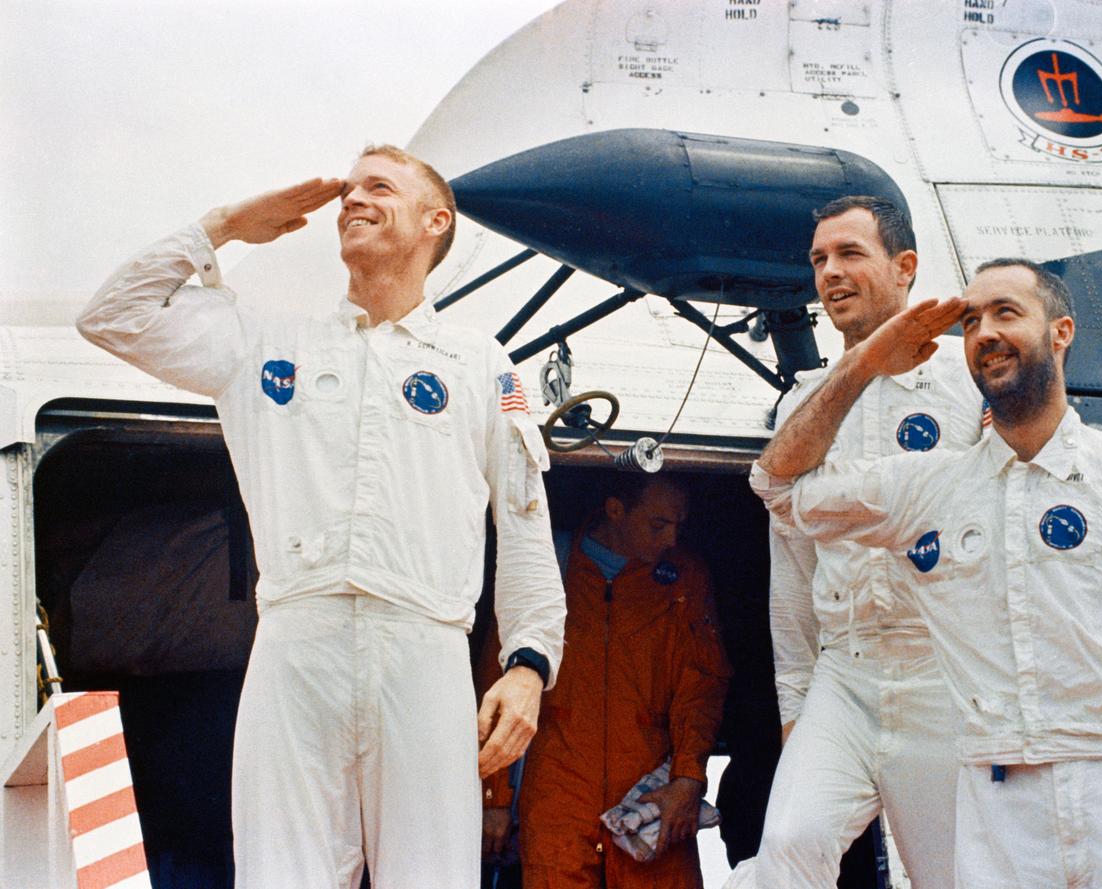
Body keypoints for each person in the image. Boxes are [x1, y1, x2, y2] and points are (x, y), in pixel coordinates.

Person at [77, 145, 566, 888]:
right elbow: (111, 316)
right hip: (295, 648)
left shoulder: (478, 362)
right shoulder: (267, 344)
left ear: (436, 221)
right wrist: (222, 226)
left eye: (379, 187)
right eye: (348, 191)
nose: (352, 200)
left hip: (424, 645)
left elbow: (526, 520)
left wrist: (529, 661)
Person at [753, 259, 1102, 889]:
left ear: (1061, 331)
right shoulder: (929, 490)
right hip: (995, 807)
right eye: (970, 321)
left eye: (1006, 312)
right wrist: (866, 361)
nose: (983, 331)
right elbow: (778, 483)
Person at [724, 195, 984, 889]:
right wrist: (795, 712)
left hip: (939, 667)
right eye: (818, 260)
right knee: (789, 843)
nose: (829, 272)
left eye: (849, 254)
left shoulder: (968, 384)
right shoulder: (804, 405)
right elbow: (792, 568)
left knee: (951, 872)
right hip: (846, 669)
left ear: (905, 268)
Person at [481, 473, 730, 888]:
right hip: (556, 793)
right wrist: (495, 799)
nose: (671, 538)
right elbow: (495, 683)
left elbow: (702, 685)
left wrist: (687, 780)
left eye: (679, 525)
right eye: (658, 524)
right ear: (615, 510)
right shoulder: (550, 565)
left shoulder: (685, 575)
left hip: (651, 795)